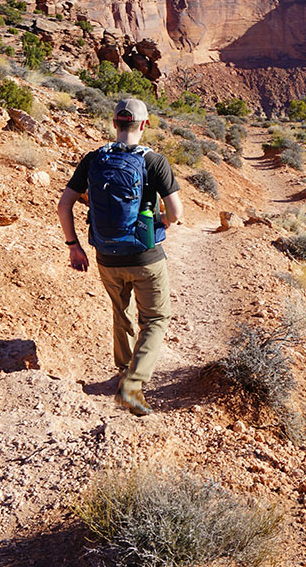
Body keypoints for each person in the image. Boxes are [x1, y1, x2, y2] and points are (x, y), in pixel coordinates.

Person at [57, 97, 183, 416]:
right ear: (145, 125)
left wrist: (74, 245)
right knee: (155, 318)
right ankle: (132, 385)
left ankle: (122, 371)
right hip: (146, 256)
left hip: (106, 257)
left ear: (114, 123)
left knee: (120, 311)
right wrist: (161, 222)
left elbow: (64, 205)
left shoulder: (93, 159)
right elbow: (177, 213)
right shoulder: (154, 161)